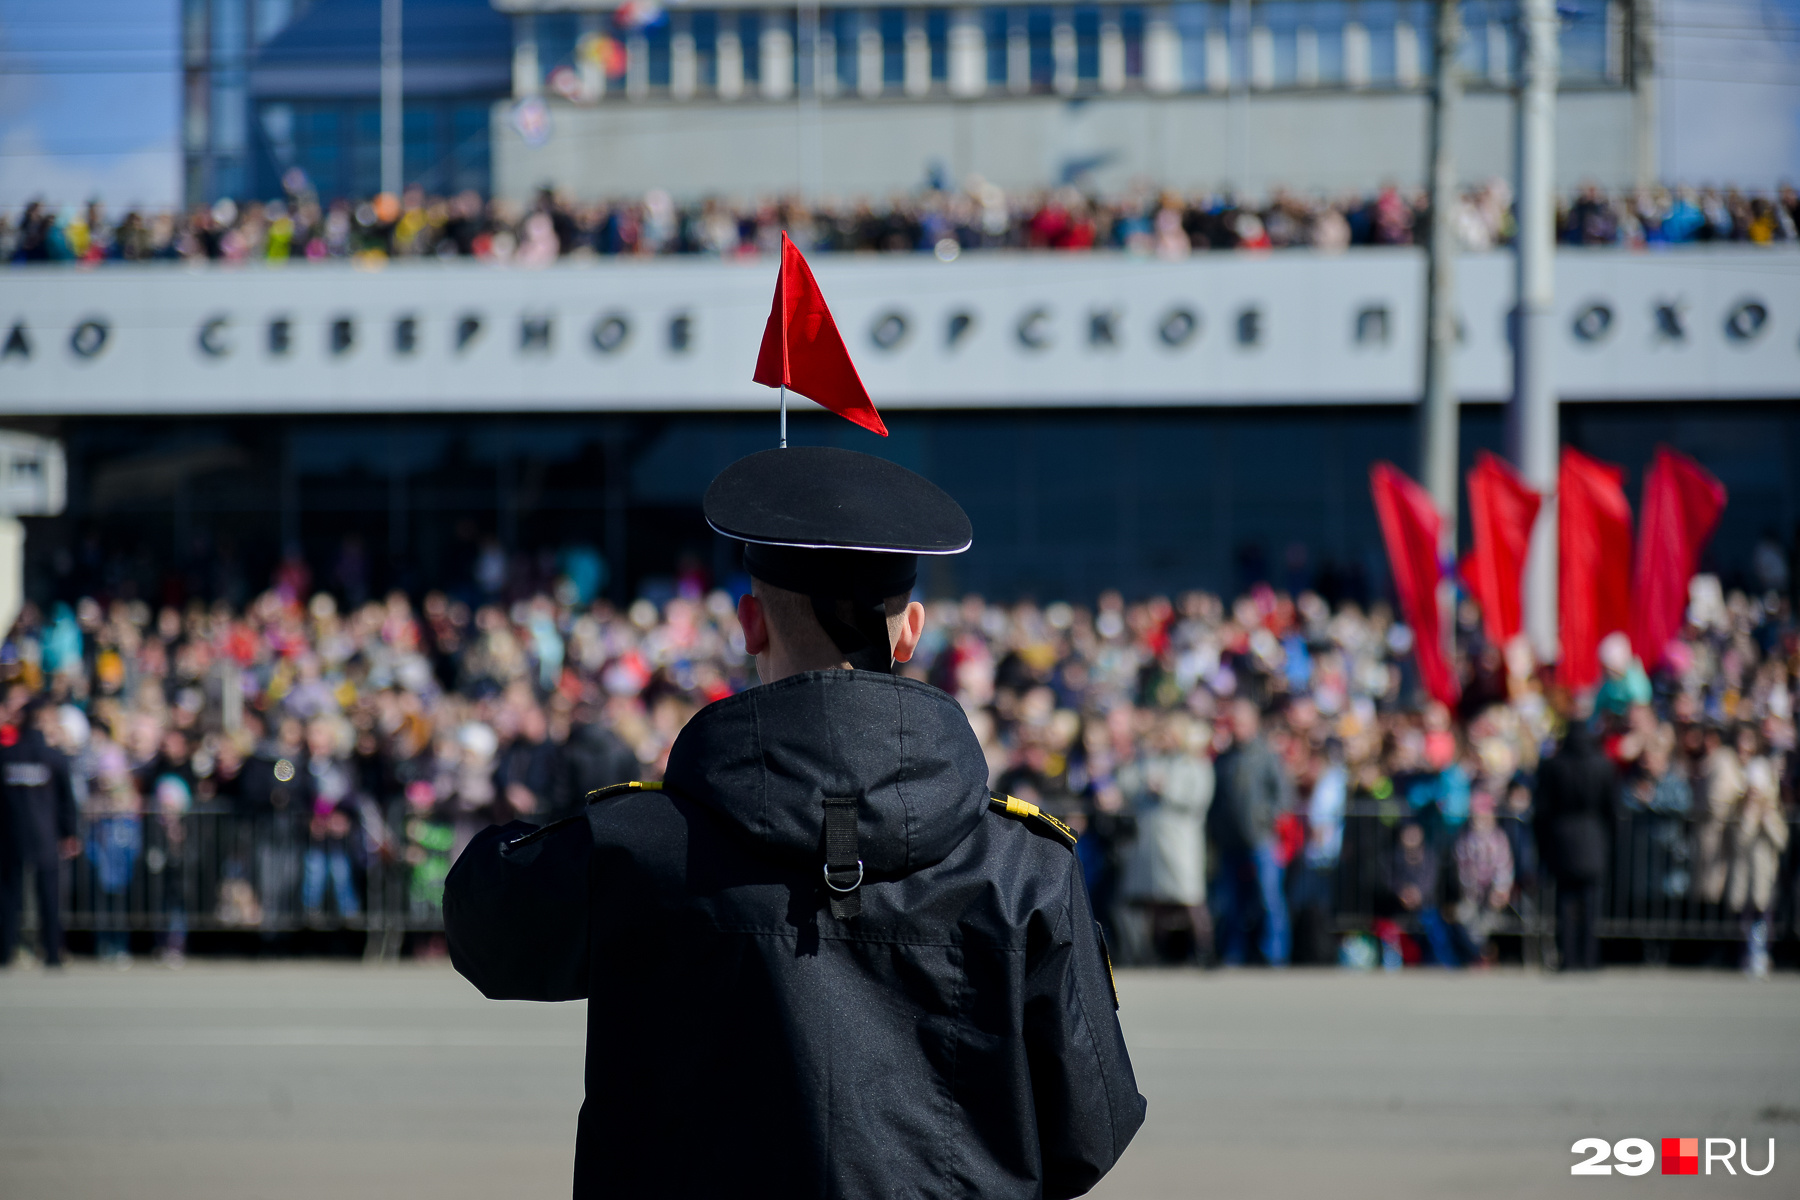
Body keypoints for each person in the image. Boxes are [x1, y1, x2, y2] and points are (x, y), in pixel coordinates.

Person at [445, 446, 1143, 1198]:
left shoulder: (642, 843)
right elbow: (1089, 1134)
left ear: (750, 623)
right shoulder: (1023, 865)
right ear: (909, 631)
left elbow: (486, 930)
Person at [1117, 713, 1213, 965]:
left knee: (1190, 896)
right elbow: (1127, 786)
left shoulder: (1194, 764)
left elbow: (1198, 798)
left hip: (1180, 840)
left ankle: (1205, 949)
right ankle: (1153, 952)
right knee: (1154, 899)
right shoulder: (1149, 761)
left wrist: (1166, 790)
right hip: (1152, 840)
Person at [1207, 697, 1293, 965]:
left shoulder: (1266, 755)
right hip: (1230, 840)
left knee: (1269, 899)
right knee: (1230, 903)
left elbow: (1283, 795)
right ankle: (1233, 953)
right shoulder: (1224, 758)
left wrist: (1263, 817)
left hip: (1260, 839)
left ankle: (1275, 954)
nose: (1237, 728)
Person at [0, 698, 80, 967]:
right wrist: (70, 832)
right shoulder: (53, 757)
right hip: (45, 835)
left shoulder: (6, 756)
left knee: (9, 896)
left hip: (11, 835)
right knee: (49, 896)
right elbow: (67, 800)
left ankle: (5, 951)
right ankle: (53, 953)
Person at [1534, 721, 1616, 972]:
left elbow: (1542, 810)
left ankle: (1568, 957)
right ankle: (1589, 958)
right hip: (1594, 837)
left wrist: (1543, 843)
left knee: (1565, 902)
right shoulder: (1603, 765)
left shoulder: (1553, 766)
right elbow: (1612, 810)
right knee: (1591, 903)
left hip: (1562, 839)